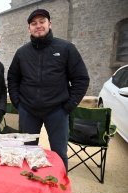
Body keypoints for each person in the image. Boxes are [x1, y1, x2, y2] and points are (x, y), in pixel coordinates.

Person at [7, 9, 90, 172]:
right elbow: (13, 78)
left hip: (57, 111)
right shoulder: (22, 53)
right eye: (34, 23)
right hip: (28, 111)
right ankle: (31, 190)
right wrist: (19, 104)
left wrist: (68, 106)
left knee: (59, 153)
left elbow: (81, 79)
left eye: (42, 22)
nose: (38, 26)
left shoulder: (66, 48)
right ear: (29, 28)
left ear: (49, 24)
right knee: (28, 152)